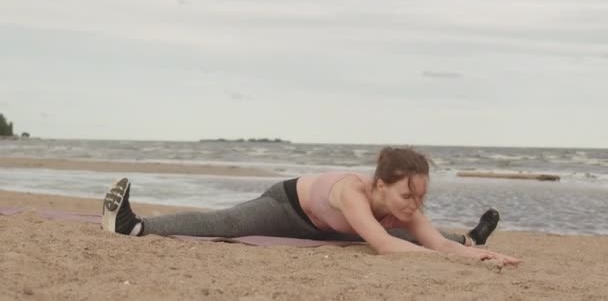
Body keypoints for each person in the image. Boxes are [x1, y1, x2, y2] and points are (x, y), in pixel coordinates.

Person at [101, 147, 520, 265]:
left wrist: (478, 254)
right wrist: (458, 261)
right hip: (288, 209)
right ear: (379, 186)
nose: (414, 203)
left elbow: (436, 245)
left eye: (421, 196)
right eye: (407, 195)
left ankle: (474, 234)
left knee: (429, 235)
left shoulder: (402, 204)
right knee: (227, 222)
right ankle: (133, 226)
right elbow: (385, 247)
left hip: (331, 230)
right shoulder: (354, 193)